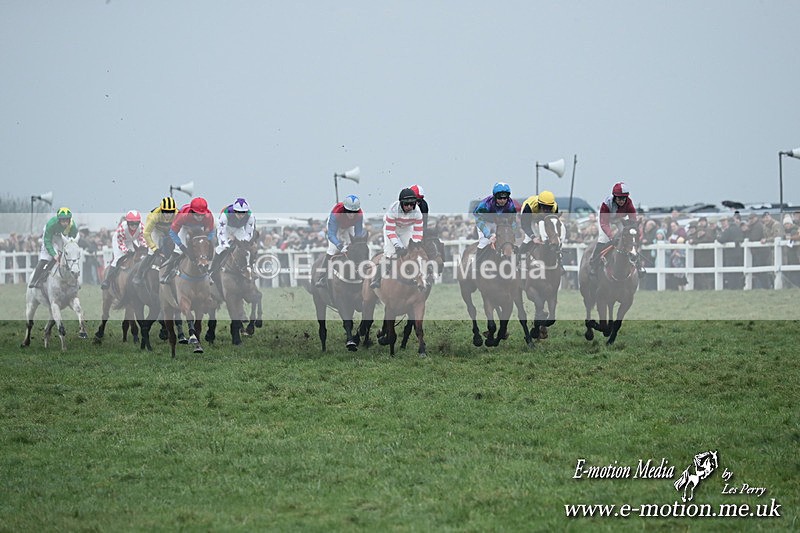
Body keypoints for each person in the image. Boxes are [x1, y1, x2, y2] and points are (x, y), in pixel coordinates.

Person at [588, 181, 644, 278]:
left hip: (620, 219)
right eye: (619, 198)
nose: (621, 201)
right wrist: (611, 237)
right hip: (606, 219)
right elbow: (604, 223)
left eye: (624, 198)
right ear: (614, 196)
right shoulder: (606, 204)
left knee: (630, 237)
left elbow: (633, 222)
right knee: (603, 239)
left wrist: (634, 231)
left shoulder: (629, 203)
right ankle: (594, 264)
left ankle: (639, 266)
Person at [370, 188, 424, 289]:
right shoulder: (393, 210)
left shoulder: (417, 212)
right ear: (401, 203)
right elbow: (390, 231)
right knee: (390, 254)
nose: (409, 207)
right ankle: (376, 279)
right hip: (392, 228)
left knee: (411, 252)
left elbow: (418, 231)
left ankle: (418, 278)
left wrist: (416, 243)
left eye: (412, 204)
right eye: (406, 204)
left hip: (406, 229)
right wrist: (397, 245)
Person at [160, 197, 215, 284]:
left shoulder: (208, 216)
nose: (200, 217)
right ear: (192, 211)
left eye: (202, 215)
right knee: (178, 250)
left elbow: (211, 232)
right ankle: (166, 274)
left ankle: (208, 274)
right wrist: (181, 246)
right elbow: (172, 233)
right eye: (197, 214)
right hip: (185, 227)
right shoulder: (183, 215)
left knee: (204, 251)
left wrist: (205, 242)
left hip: (199, 229)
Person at [315, 195, 365, 288]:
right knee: (333, 250)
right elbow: (331, 235)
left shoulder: (359, 214)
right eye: (349, 212)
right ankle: (322, 277)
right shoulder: (336, 213)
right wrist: (339, 246)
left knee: (358, 248)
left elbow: (358, 234)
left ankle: (362, 274)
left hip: (349, 227)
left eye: (354, 212)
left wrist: (356, 245)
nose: (352, 214)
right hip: (336, 227)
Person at [208, 198, 256, 287]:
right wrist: (226, 244)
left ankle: (251, 269)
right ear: (234, 211)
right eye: (238, 212)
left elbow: (249, 233)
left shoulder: (250, 216)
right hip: (226, 229)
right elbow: (221, 232)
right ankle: (212, 272)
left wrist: (242, 243)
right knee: (221, 249)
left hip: (239, 229)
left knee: (246, 249)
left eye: (243, 213)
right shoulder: (225, 214)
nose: (241, 215)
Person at [133, 196, 178, 287]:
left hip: (171, 229)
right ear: (161, 210)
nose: (168, 214)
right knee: (151, 252)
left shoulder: (178, 214)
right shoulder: (153, 216)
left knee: (177, 249)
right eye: (166, 212)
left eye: (171, 212)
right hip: (156, 230)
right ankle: (139, 274)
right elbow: (146, 233)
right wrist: (154, 248)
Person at [28, 207, 78, 288]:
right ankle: (35, 280)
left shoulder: (73, 226)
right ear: (59, 220)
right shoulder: (51, 224)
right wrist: (54, 254)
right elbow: (47, 241)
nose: (65, 223)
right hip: (50, 237)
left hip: (61, 236)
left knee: (67, 257)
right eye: (63, 220)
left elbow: (72, 240)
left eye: (67, 220)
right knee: (45, 258)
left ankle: (74, 281)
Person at [101, 210, 147, 290]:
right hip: (119, 240)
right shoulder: (122, 228)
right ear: (127, 222)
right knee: (118, 258)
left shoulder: (142, 227)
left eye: (136, 223)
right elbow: (121, 243)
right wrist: (126, 251)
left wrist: (144, 248)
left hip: (131, 240)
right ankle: (107, 280)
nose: (134, 226)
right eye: (131, 223)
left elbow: (142, 240)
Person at [473, 182, 519, 259]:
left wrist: (513, 233)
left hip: (498, 223)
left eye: (505, 198)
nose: (502, 200)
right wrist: (488, 235)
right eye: (500, 198)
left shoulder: (511, 205)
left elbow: (513, 221)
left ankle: (518, 264)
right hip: (484, 222)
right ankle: (477, 267)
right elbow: (478, 219)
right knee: (484, 242)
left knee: (508, 241)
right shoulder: (486, 204)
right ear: (495, 196)